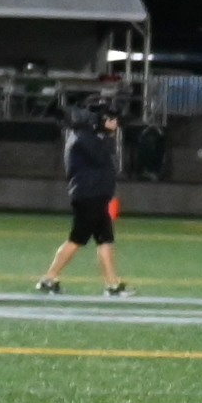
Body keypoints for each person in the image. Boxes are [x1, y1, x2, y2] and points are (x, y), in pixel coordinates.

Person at [36, 96, 128, 296]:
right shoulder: (83, 137)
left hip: (96, 196)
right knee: (77, 239)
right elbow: (100, 155)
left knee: (105, 240)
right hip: (89, 196)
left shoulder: (86, 136)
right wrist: (105, 133)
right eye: (109, 118)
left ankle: (113, 285)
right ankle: (48, 279)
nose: (114, 122)